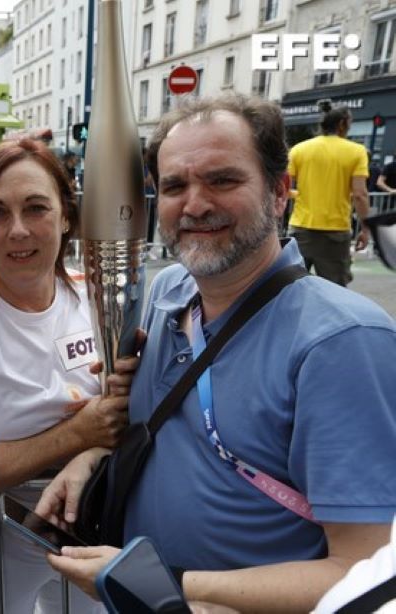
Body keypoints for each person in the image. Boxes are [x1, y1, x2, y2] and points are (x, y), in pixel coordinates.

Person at [38, 93, 396, 612]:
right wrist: (90, 456)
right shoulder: (168, 293)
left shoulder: (342, 341)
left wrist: (169, 584)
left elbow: (364, 573)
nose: (196, 204)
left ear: (279, 192)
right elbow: (161, 429)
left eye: (223, 180)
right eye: (175, 186)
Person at [0, 139, 133, 614]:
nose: (18, 231)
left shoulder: (100, 296)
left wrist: (99, 440)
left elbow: (130, 414)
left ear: (66, 216)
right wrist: (80, 432)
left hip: (96, 528)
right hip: (5, 545)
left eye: (36, 208)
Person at [287, 99, 371, 286]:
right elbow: (360, 194)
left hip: (301, 229)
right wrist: (366, 228)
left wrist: (298, 195)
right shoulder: (356, 151)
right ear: (342, 124)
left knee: (291, 287)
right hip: (335, 233)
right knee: (335, 289)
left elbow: (281, 188)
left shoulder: (299, 150)